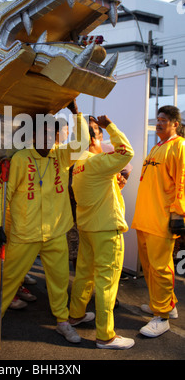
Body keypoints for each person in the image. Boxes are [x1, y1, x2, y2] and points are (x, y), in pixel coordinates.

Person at [0, 100, 91, 344]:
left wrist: (76, 114)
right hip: (24, 233)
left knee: (60, 281)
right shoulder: (19, 159)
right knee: (8, 279)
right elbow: (1, 196)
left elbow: (82, 143)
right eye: (44, 132)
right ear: (33, 135)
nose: (49, 137)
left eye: (52, 132)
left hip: (55, 233)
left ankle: (62, 322)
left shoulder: (61, 156)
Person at [69, 116, 135, 349]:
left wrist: (114, 182)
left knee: (84, 275)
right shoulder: (97, 162)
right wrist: (111, 125)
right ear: (94, 137)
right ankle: (105, 336)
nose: (103, 134)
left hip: (87, 228)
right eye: (98, 131)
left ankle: (75, 314)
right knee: (107, 282)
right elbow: (126, 152)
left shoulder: (78, 164)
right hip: (106, 228)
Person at [132, 105, 184, 338]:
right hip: (145, 219)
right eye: (158, 119)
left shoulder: (179, 147)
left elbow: (183, 182)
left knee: (161, 268)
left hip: (162, 220)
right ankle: (165, 305)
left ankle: (161, 317)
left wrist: (178, 215)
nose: (159, 123)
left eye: (164, 120)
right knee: (151, 267)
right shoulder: (157, 147)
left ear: (175, 124)